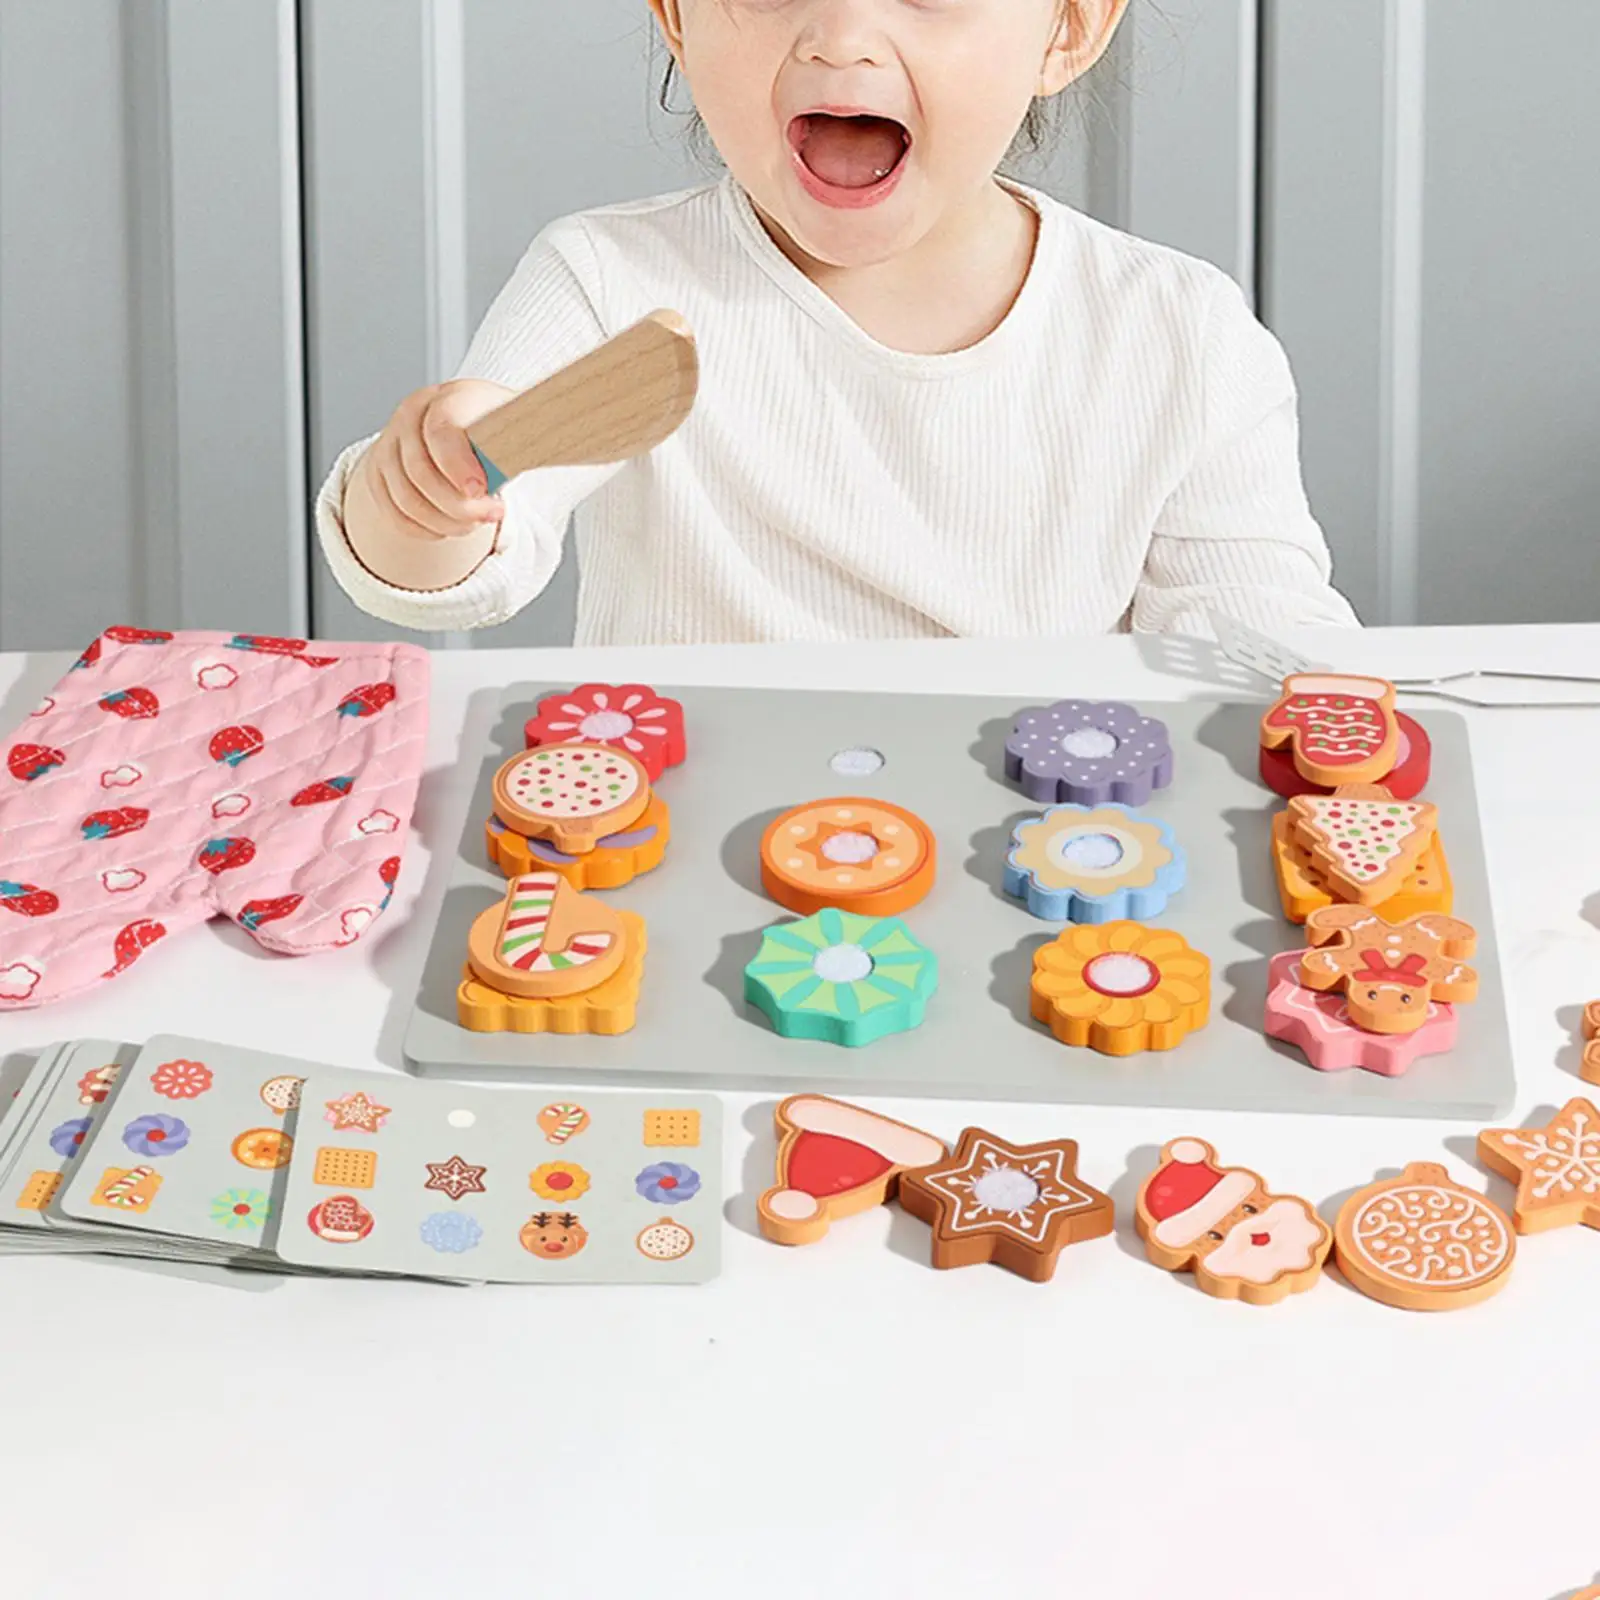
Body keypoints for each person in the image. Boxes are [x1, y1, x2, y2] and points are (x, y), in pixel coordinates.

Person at [316, 0, 1360, 644]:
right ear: (674, 13)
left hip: (1034, 871)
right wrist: (419, 501)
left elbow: (1262, 633)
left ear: (1069, 25)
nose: (841, 38)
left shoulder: (1179, 336)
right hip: (686, 864)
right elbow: (459, 567)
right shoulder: (607, 280)